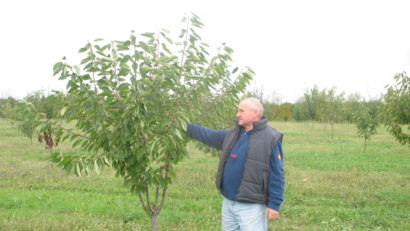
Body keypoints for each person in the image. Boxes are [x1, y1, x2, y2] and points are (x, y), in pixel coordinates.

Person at [186, 97, 284, 231]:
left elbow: (277, 173)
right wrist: (184, 125)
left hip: (251, 206)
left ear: (255, 113)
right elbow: (208, 135)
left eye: (241, 111)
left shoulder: (270, 137)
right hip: (228, 201)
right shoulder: (233, 133)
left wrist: (274, 204)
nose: (237, 114)